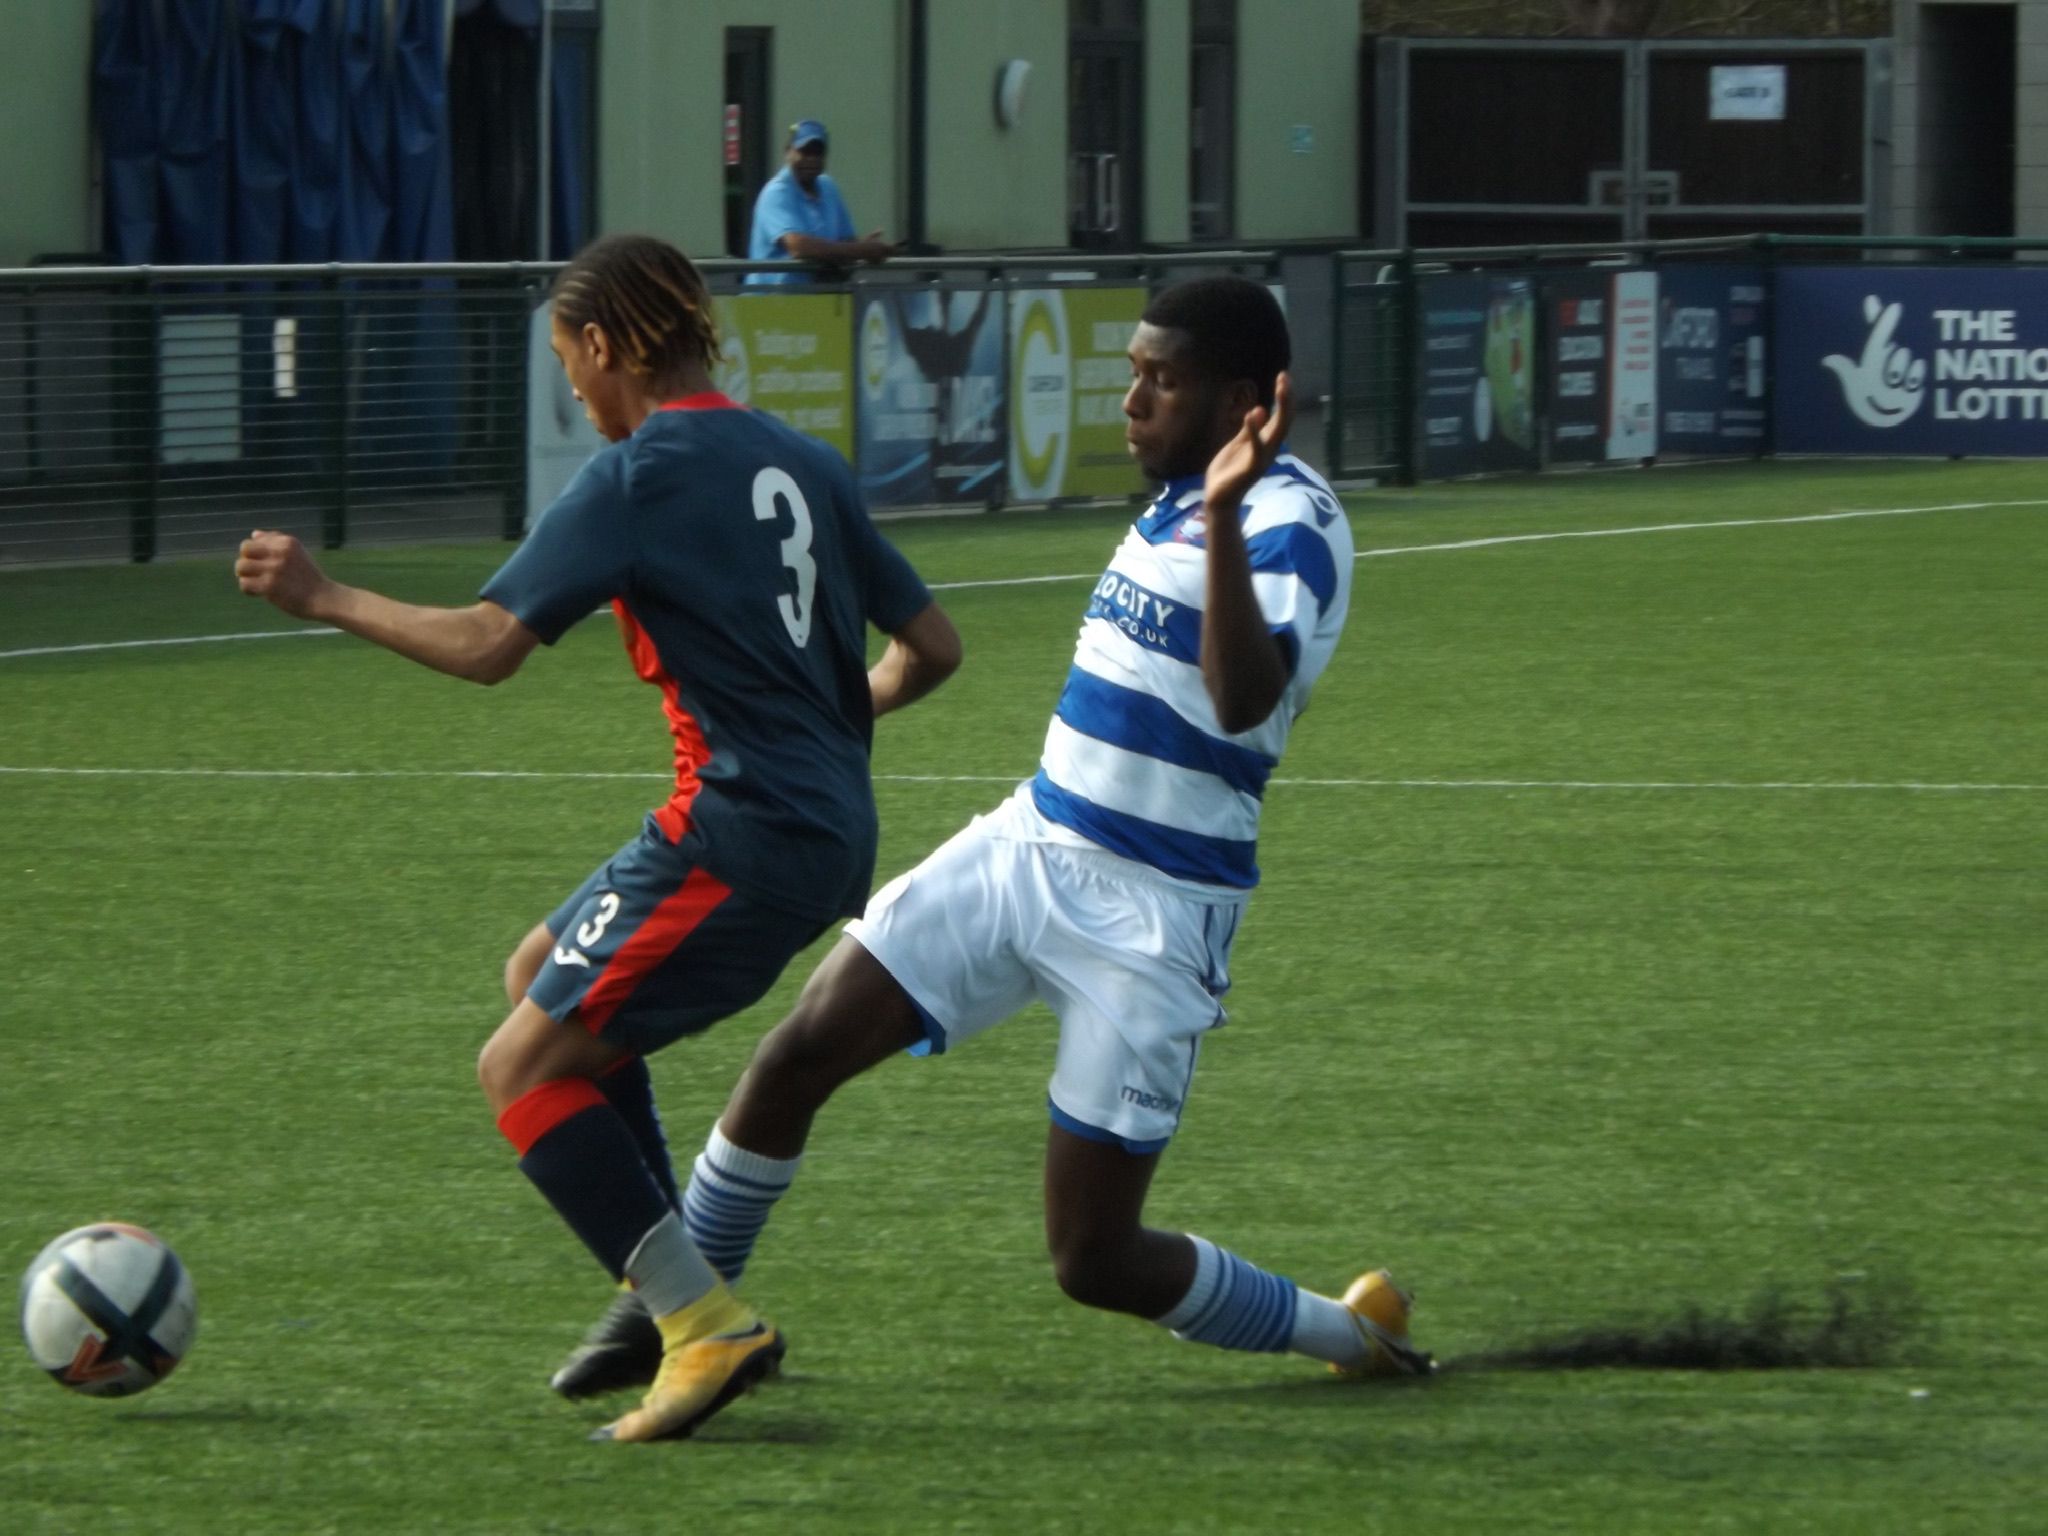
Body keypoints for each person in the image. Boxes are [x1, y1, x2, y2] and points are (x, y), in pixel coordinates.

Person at [564, 276, 1432, 1422]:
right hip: (1031, 841)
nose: (1127, 400)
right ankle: (677, 1319)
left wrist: (1223, 514)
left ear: (1239, 402)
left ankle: (1346, 1333)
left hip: (1153, 912)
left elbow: (1240, 699)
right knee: (795, 1056)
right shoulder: (1179, 495)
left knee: (1091, 1258)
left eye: (1156, 382)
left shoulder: (1289, 521)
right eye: (1128, 371)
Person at [233, 233, 962, 1442]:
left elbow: (486, 647)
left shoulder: (639, 474)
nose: (574, 390)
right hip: (825, 822)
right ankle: (667, 1289)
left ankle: (698, 1322)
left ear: (610, 345)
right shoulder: (803, 460)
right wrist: (833, 724)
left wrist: (324, 596)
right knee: (538, 975)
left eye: (571, 360)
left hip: (740, 833)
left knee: (513, 1067)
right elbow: (933, 650)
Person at [745, 118, 895, 286]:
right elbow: (799, 247)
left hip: (817, 300)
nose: (811, 159)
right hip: (768, 303)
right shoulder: (776, 192)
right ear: (788, 152)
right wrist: (860, 250)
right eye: (804, 151)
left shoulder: (828, 187)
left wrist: (863, 246)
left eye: (818, 153)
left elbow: (846, 241)